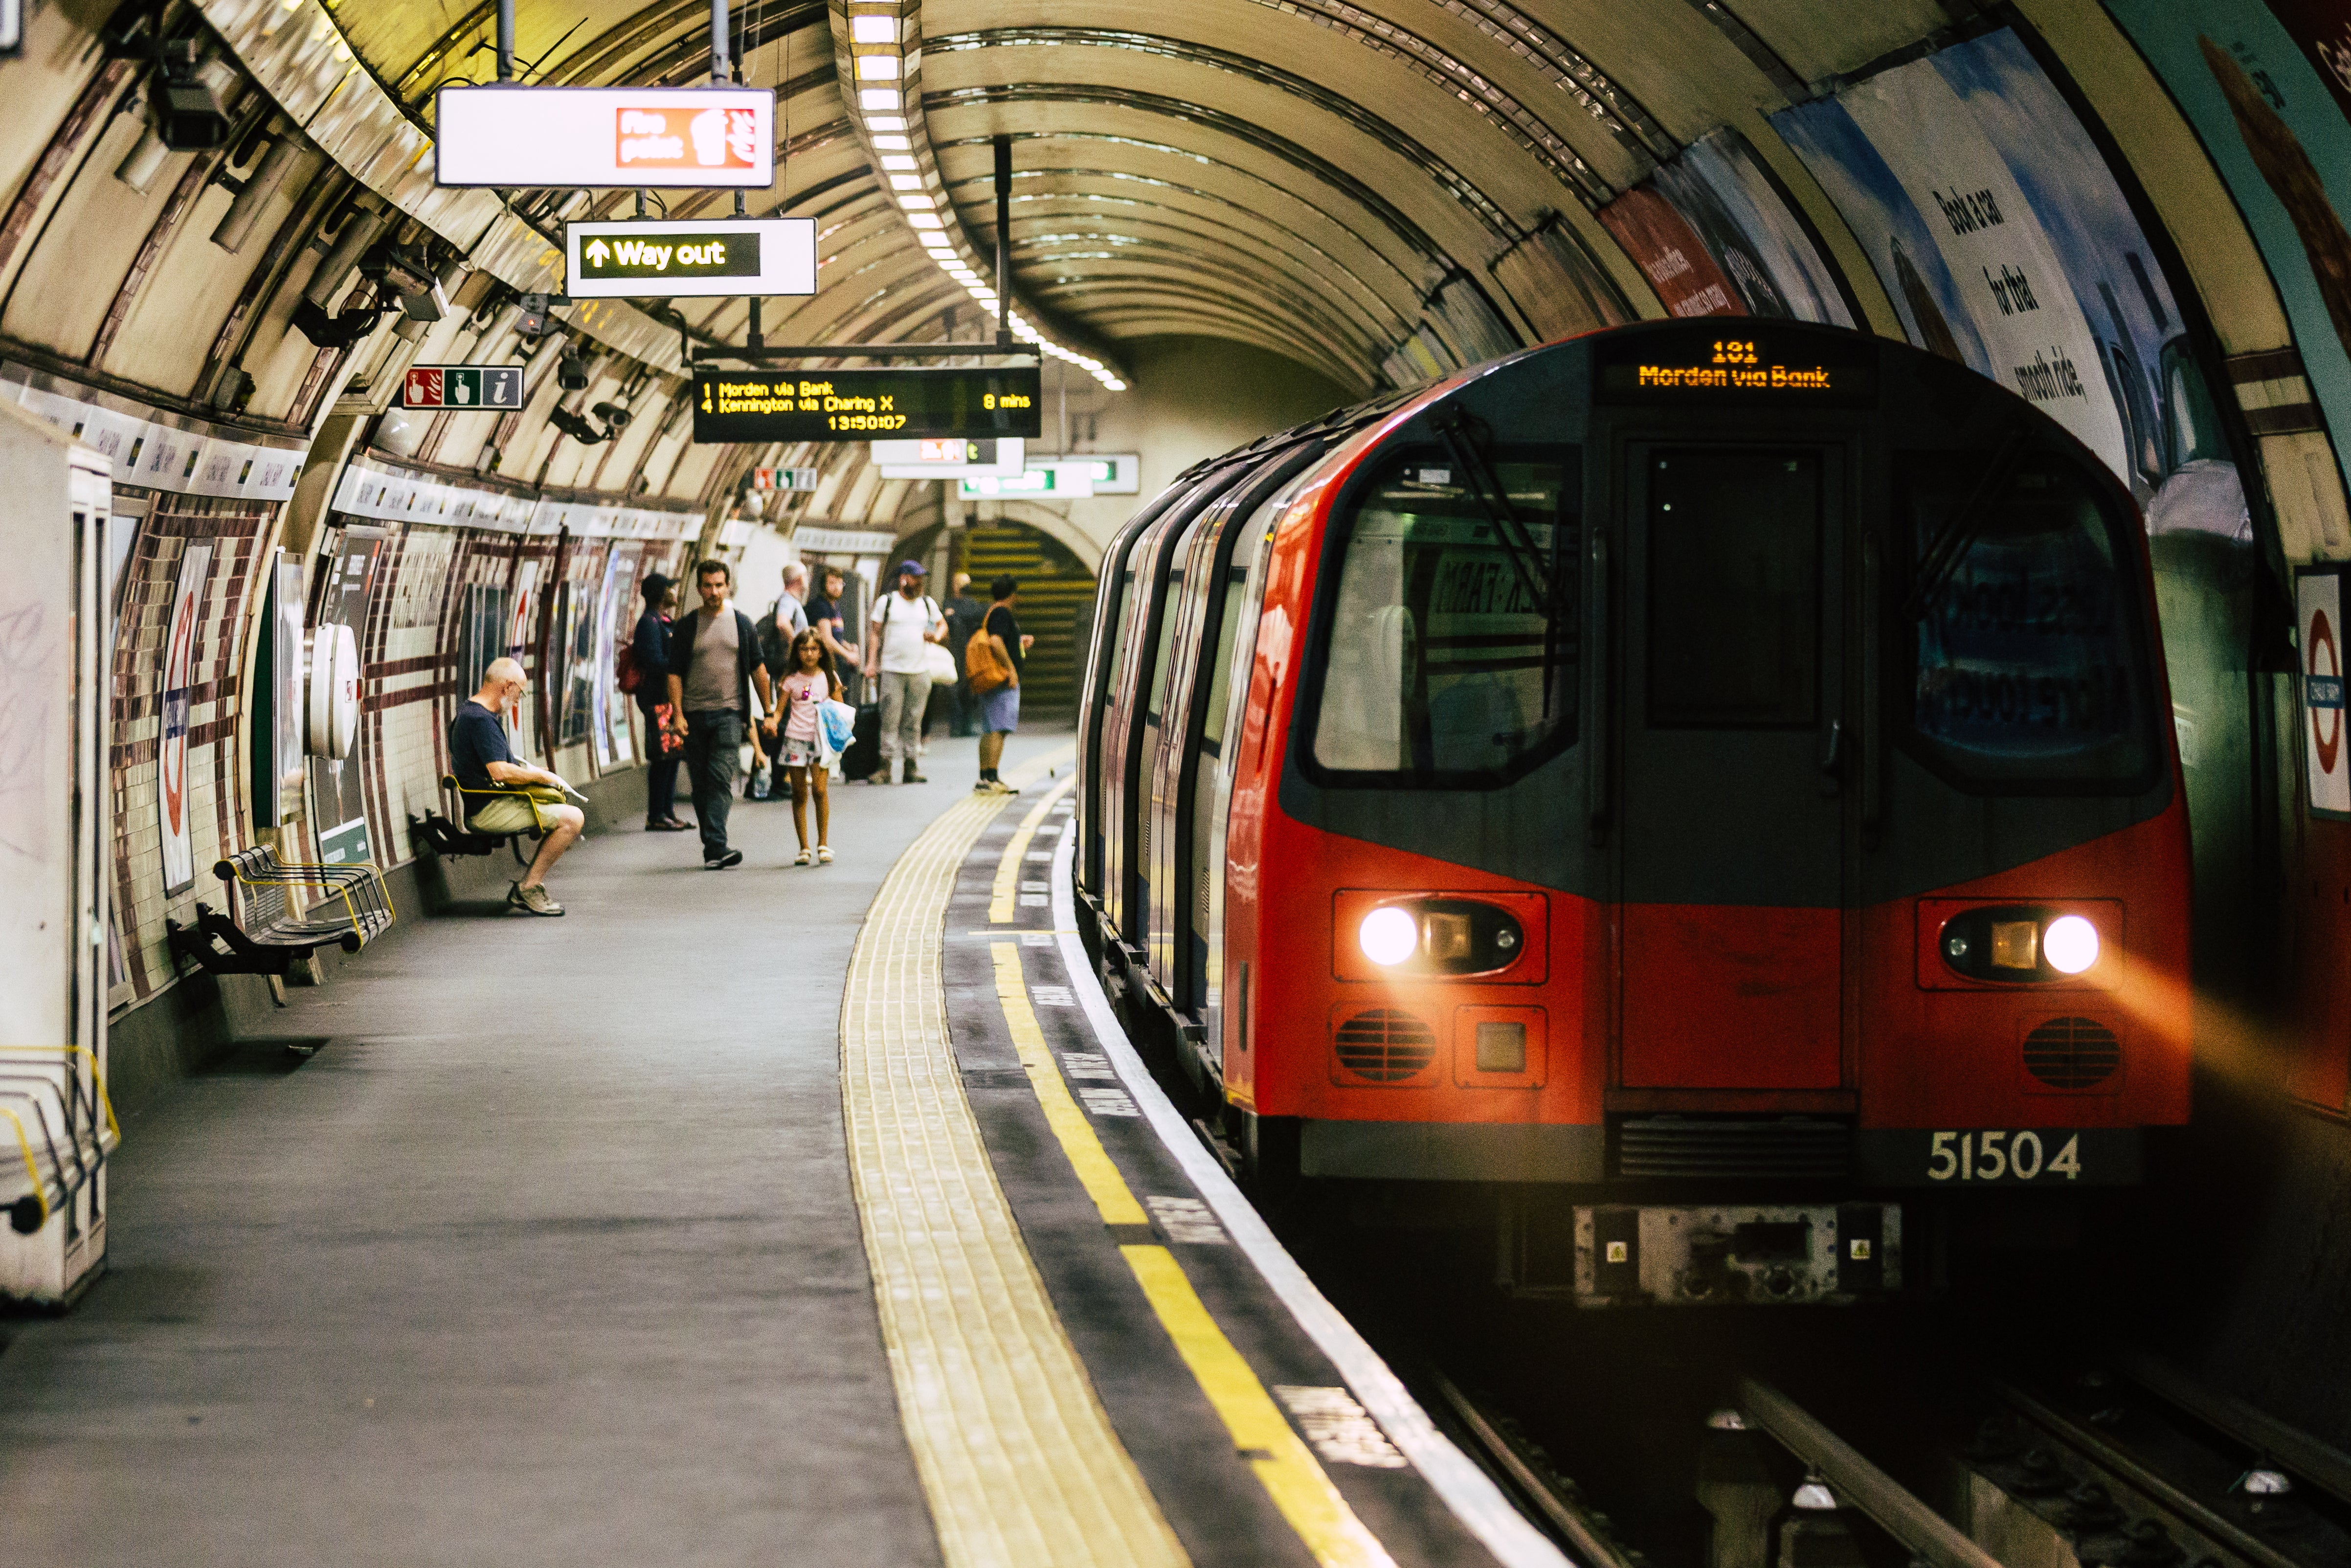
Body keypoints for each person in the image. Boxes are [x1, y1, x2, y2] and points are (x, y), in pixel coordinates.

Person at [450, 657, 583, 915]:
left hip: (492, 802)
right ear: (507, 686)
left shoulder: (471, 713)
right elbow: (499, 770)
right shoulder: (481, 721)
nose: (517, 700)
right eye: (519, 693)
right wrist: (540, 778)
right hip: (489, 809)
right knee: (573, 819)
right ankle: (529, 887)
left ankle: (529, 886)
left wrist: (532, 773)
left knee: (562, 811)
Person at [664, 559, 774, 869]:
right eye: (708, 586)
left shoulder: (742, 624)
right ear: (699, 588)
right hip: (694, 716)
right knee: (701, 784)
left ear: (728, 586)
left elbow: (758, 670)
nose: (714, 592)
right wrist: (678, 715)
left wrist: (768, 711)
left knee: (719, 778)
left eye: (719, 585)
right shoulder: (687, 626)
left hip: (730, 713)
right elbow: (674, 674)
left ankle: (716, 845)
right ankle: (713, 842)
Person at [864, 559, 946, 784]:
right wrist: (872, 663)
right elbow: (875, 634)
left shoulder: (927, 604)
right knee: (889, 718)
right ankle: (885, 766)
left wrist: (936, 636)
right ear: (904, 579)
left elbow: (942, 625)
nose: (920, 582)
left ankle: (911, 765)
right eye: (915, 578)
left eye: (921, 578)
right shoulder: (887, 602)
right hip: (892, 669)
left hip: (920, 671)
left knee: (914, 720)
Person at [764, 627, 842, 866]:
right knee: (799, 794)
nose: (809, 654)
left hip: (821, 740)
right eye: (804, 649)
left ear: (821, 652)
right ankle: (804, 847)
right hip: (796, 738)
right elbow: (780, 711)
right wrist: (772, 721)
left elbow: (841, 709)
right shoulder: (790, 680)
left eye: (814, 649)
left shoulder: (830, 678)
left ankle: (823, 843)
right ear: (797, 652)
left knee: (819, 790)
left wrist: (839, 729)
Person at [631, 574, 692, 832]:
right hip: (658, 700)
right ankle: (656, 814)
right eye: (670, 588)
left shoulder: (663, 620)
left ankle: (667, 811)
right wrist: (679, 668)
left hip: (670, 700)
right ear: (660, 593)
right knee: (662, 757)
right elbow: (654, 662)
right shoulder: (648, 623)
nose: (675, 592)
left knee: (673, 756)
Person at [974, 575, 1033, 795]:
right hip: (1002, 680)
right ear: (1013, 594)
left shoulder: (994, 612)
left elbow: (1000, 638)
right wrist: (1011, 669)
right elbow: (996, 640)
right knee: (1000, 729)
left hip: (995, 680)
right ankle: (992, 777)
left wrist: (1019, 641)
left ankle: (984, 779)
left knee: (991, 728)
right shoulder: (1002, 612)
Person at [941, 570, 987, 738]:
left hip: (970, 651)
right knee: (955, 689)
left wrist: (955, 615)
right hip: (955, 651)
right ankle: (957, 724)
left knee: (969, 689)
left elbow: (977, 617)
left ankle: (966, 723)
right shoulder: (949, 604)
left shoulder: (971, 605)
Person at [805, 564, 860, 698]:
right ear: (824, 585)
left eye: (840, 583)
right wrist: (848, 655)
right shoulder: (821, 606)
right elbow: (827, 639)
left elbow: (836, 636)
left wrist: (848, 646)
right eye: (832, 583)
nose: (836, 587)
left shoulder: (834, 606)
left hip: (835, 664)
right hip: (822, 664)